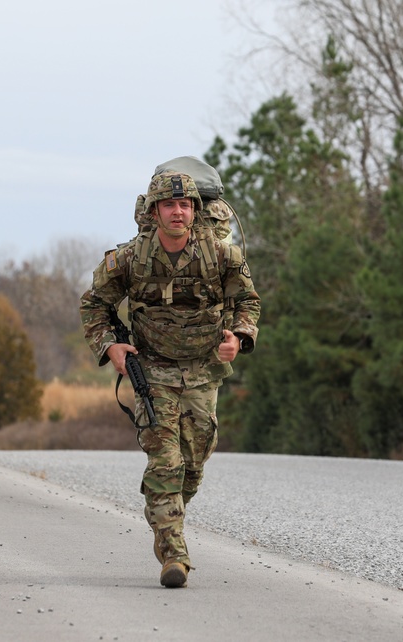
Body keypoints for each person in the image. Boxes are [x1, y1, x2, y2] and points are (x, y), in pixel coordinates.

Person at [80, 171, 260, 588]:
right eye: (169, 205)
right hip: (153, 367)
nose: (177, 212)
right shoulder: (129, 259)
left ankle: (165, 510)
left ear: (195, 211)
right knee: (166, 461)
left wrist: (239, 336)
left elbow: (247, 301)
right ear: (155, 211)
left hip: (202, 367)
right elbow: (94, 307)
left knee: (193, 464)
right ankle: (173, 554)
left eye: (185, 206)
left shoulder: (221, 255)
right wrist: (111, 346)